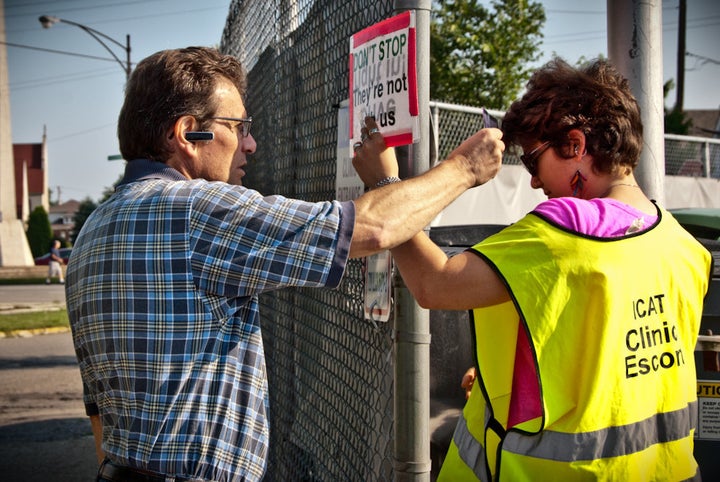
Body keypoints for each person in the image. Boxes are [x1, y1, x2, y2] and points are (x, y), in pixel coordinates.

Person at [64, 46, 503, 482]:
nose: (250, 144)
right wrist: (465, 167)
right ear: (187, 132)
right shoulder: (197, 210)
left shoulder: (95, 229)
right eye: (237, 126)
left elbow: (97, 411)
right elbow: (371, 228)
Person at [354, 58, 713, 480]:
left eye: (533, 160)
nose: (534, 182)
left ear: (576, 146)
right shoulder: (684, 247)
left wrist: (384, 186)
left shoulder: (563, 231)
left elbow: (434, 285)